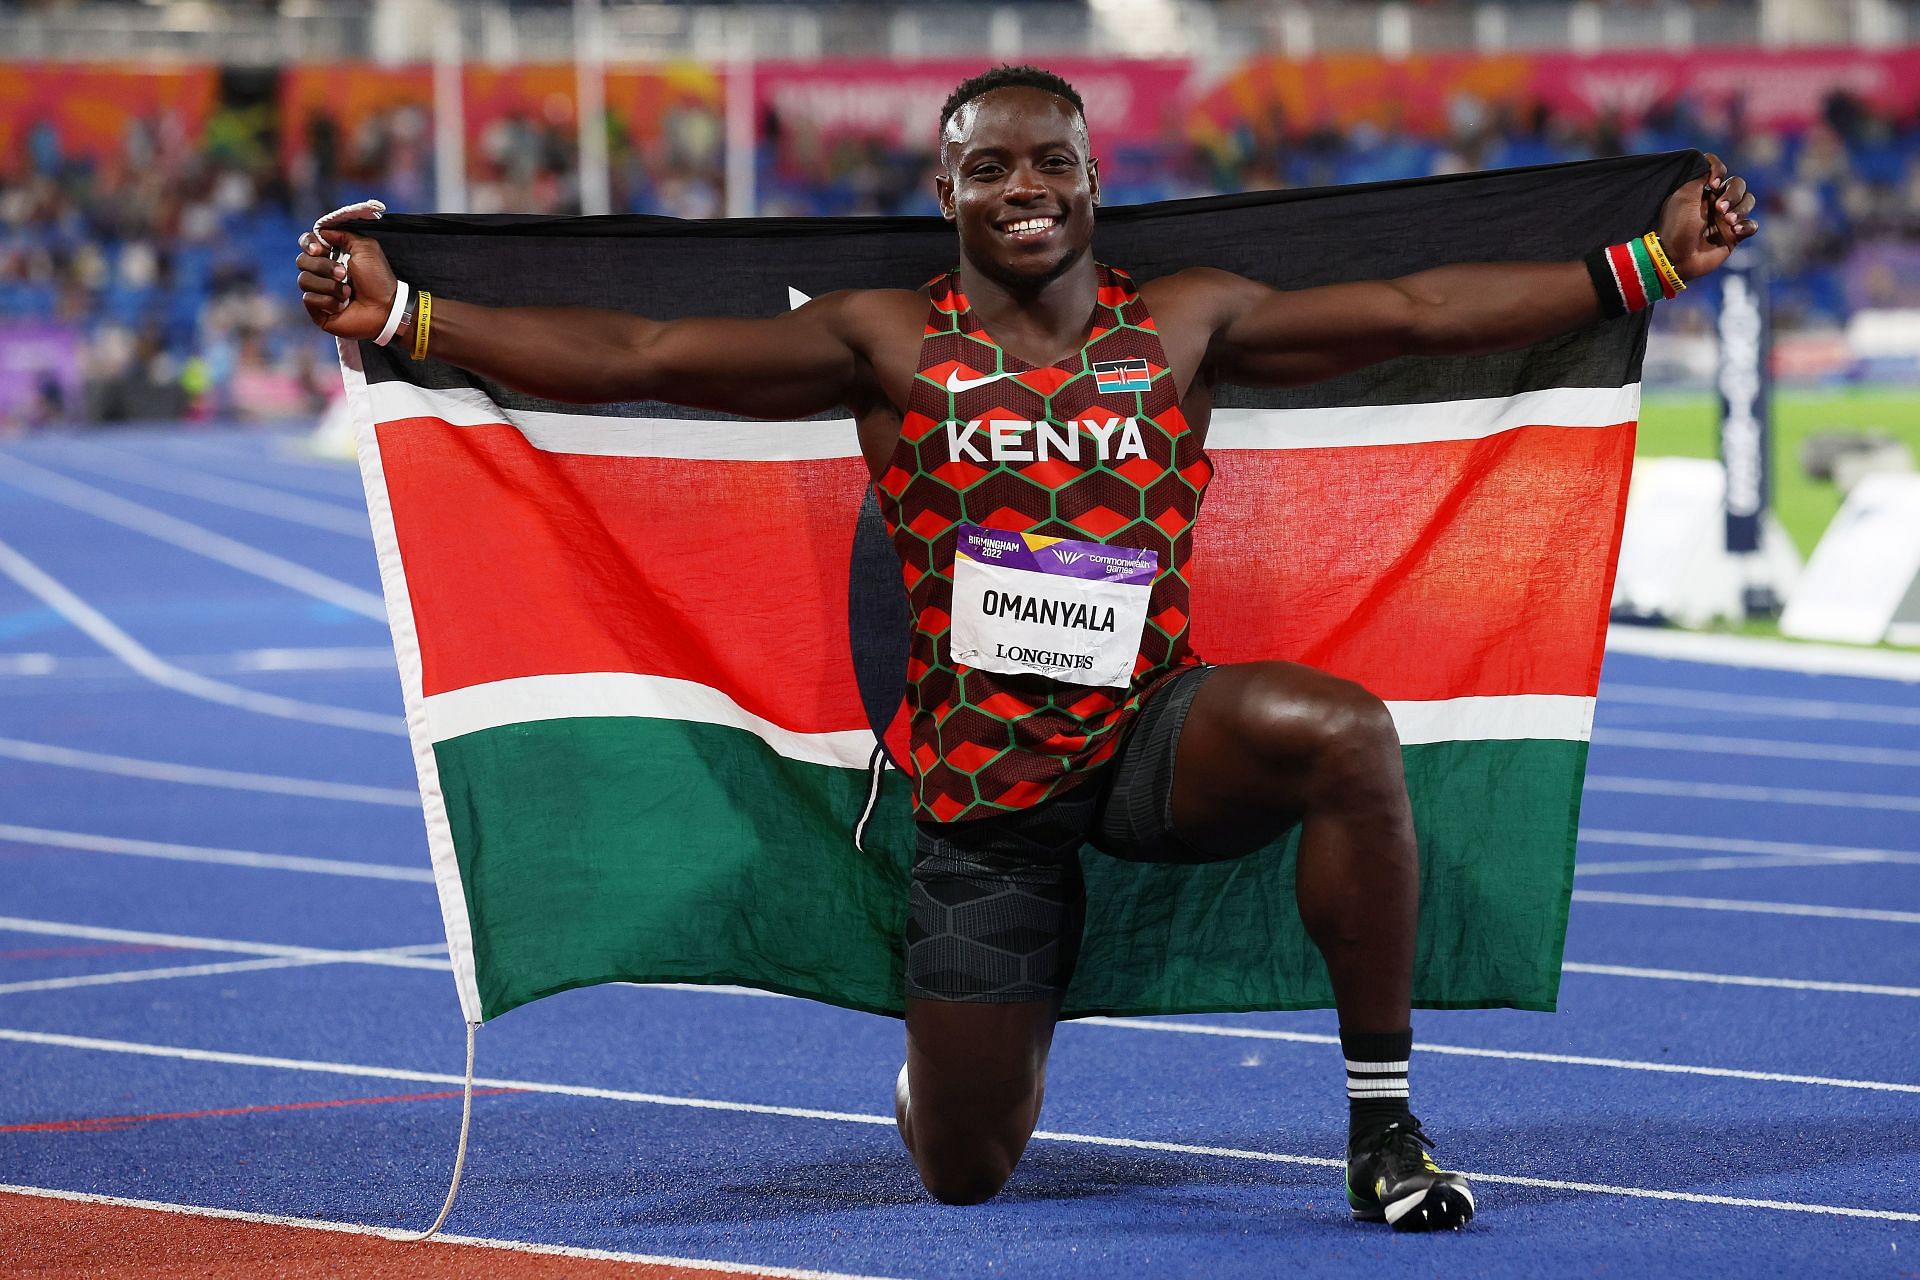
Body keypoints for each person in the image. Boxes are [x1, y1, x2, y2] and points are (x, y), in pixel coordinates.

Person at [295, 65, 1758, 1231]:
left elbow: (1419, 312)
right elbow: (640, 362)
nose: (1025, 187)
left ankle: (1383, 1127)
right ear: (946, 192)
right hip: (983, 800)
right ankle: (934, 1081)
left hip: (1152, 737)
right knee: (967, 1175)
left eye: (1050, 159)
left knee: (1345, 731)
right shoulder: (885, 339)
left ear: (1091, 179)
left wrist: (1642, 263)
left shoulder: (1179, 325)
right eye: (989, 166)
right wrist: (410, 315)